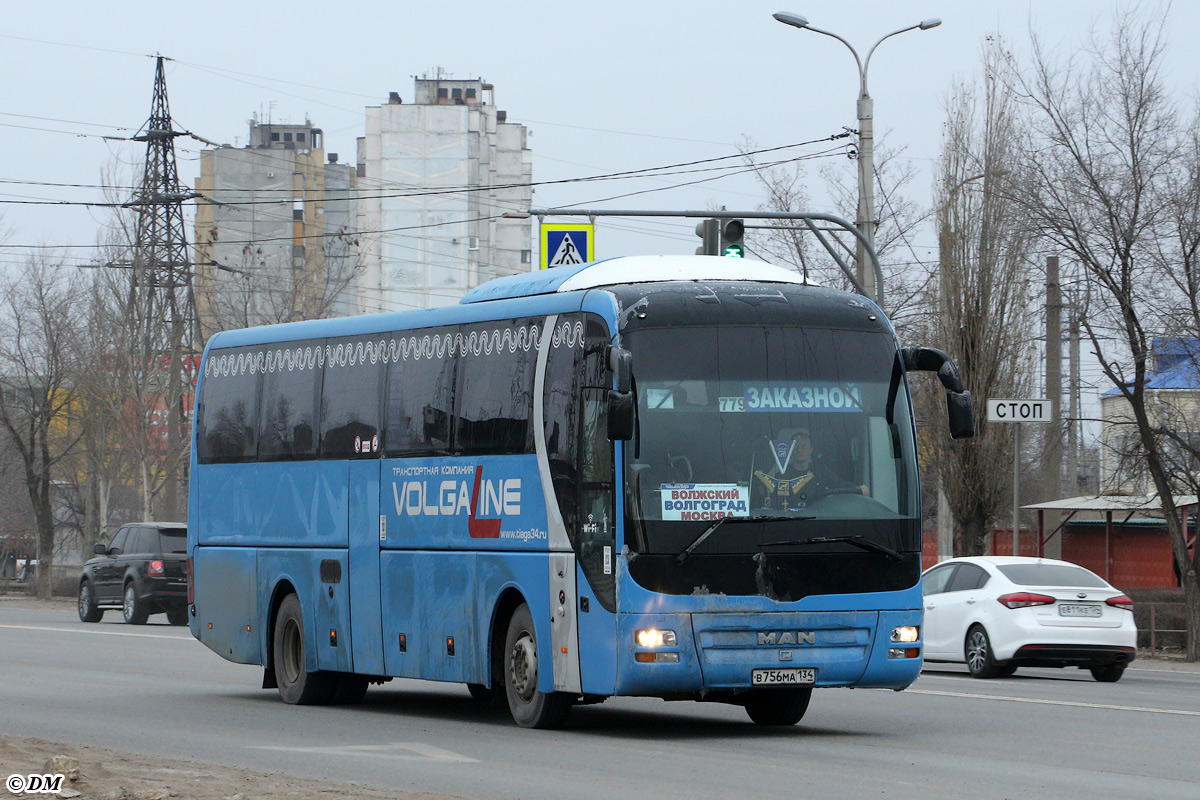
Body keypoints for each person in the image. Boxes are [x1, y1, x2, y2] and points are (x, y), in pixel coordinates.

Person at [749, 426, 867, 511]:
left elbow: (839, 484)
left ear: (811, 450)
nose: (799, 449)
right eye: (795, 447)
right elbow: (776, 506)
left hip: (819, 521)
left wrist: (857, 488)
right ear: (790, 451)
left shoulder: (820, 471)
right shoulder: (781, 476)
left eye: (803, 446)